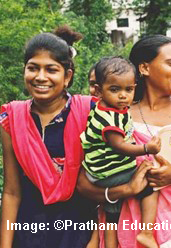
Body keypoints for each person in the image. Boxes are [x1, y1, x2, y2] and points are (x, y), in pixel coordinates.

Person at [76, 35, 171, 248]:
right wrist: (127, 190)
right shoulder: (114, 118)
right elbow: (84, 183)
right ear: (145, 68)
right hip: (123, 232)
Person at [0, 26, 98, 247]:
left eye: (51, 70)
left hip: (78, 233)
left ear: (67, 76)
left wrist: (96, 239)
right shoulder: (11, 118)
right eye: (33, 68)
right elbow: (12, 191)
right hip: (28, 233)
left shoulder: (90, 113)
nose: (40, 77)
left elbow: (105, 179)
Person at [80, 56, 162, 248]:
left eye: (128, 89)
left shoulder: (109, 108)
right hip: (108, 172)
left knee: (112, 212)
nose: (123, 96)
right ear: (99, 90)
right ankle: (146, 233)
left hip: (99, 170)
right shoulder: (110, 118)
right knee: (150, 184)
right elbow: (120, 146)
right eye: (115, 90)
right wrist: (146, 148)